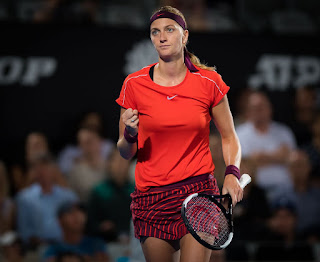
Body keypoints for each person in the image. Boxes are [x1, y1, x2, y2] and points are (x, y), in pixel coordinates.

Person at [116, 6, 243, 262]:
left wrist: (232, 174)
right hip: (151, 199)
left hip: (198, 194)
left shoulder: (210, 82)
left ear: (184, 36)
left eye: (169, 30)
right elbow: (125, 152)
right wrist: (130, 134)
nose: (161, 37)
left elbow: (229, 136)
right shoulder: (134, 84)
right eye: (155, 32)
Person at [236, 91, 296, 203]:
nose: (259, 111)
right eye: (255, 108)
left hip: (285, 188)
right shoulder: (239, 134)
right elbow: (246, 164)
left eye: (262, 107)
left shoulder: (283, 132)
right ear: (248, 111)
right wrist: (278, 156)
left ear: (270, 108)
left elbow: (292, 160)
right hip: (255, 193)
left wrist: (260, 157)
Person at [16, 153, 78, 248]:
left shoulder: (68, 196)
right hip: (39, 248)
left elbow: (77, 224)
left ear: (53, 170)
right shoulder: (24, 198)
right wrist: (39, 242)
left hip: (68, 245)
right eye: (38, 169)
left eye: (45, 168)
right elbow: (24, 230)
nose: (42, 173)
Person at [86, 148, 135, 242]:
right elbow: (90, 222)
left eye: (125, 161)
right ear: (109, 164)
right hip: (106, 242)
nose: (121, 165)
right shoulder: (99, 191)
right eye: (117, 160)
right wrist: (100, 226)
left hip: (134, 242)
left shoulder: (136, 190)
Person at [43, 201, 109, 262]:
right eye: (70, 212)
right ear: (60, 220)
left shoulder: (96, 244)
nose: (77, 216)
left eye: (81, 212)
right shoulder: (53, 249)